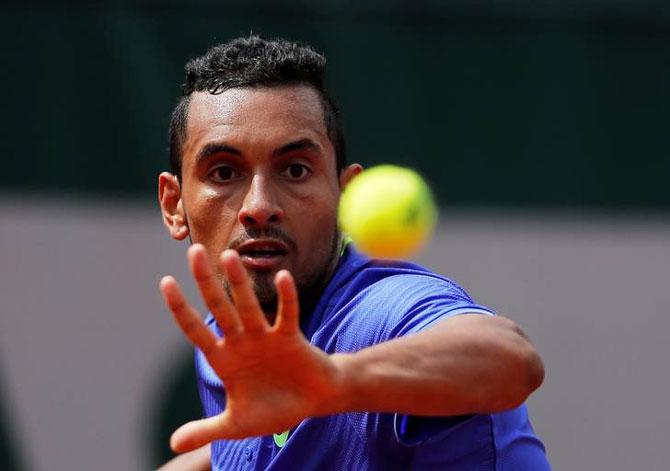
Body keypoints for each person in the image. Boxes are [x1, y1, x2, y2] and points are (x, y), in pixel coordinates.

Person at [157, 35, 550, 470]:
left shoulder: (379, 313)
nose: (259, 206)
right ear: (175, 205)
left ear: (344, 197)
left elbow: (511, 359)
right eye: (225, 172)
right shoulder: (229, 339)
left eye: (295, 169)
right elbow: (248, 450)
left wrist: (334, 381)